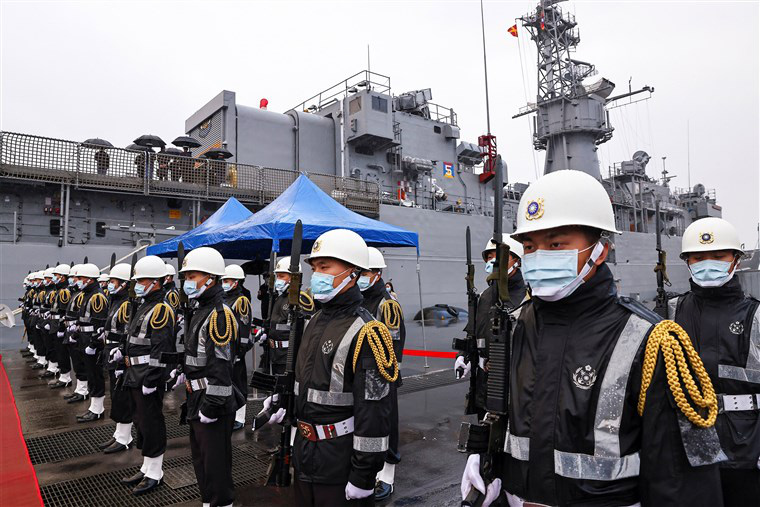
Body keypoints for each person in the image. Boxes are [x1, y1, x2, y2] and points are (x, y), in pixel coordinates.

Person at [460, 170, 724, 506]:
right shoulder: (515, 326)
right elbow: (506, 415)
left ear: (600, 251)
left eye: (556, 244)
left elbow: (683, 484)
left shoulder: (651, 343)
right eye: (530, 247)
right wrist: (484, 452)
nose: (539, 256)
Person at [268, 228, 397, 506]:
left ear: (353, 272)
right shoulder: (314, 321)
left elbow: (374, 413)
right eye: (314, 268)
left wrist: (363, 475)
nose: (317, 275)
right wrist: (283, 402)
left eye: (325, 267)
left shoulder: (368, 332)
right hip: (305, 454)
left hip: (339, 462)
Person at [670, 217, 760, 506]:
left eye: (719, 256)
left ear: (736, 259)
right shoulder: (670, 312)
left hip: (747, 451)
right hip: (687, 447)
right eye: (698, 258)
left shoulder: (755, 316)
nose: (708, 264)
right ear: (687, 262)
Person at [179, 247, 242, 507]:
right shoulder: (200, 310)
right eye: (186, 276)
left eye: (192, 276)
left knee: (215, 465)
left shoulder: (219, 315)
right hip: (197, 397)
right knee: (202, 461)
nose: (188, 282)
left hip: (210, 401)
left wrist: (212, 405)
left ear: (210, 278)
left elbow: (221, 367)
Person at [453, 234, 526, 419]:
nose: (492, 261)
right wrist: (464, 355)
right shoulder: (486, 295)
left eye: (498, 256)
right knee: (484, 425)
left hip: (511, 384)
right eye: (489, 257)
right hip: (484, 381)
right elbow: (474, 328)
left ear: (516, 261)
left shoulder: (526, 297)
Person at [120, 255, 175, 495]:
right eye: (137, 281)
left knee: (151, 422)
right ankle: (146, 466)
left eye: (142, 281)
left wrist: (152, 379)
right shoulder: (143, 305)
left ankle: (155, 472)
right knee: (140, 421)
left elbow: (160, 349)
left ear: (156, 282)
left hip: (147, 376)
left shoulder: (161, 309)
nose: (138, 285)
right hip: (135, 373)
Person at [355, 247, 406, 502]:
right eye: (359, 272)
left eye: (365, 273)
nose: (360, 277)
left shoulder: (388, 306)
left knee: (386, 425)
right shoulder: (358, 301)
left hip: (381, 377)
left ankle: (387, 476)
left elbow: (393, 347)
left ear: (377, 274)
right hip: (359, 376)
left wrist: (385, 377)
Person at [98, 263, 134, 453]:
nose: (110, 284)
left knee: (122, 397)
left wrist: (122, 354)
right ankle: (119, 433)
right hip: (111, 353)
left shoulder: (127, 304)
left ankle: (125, 437)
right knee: (116, 394)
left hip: (119, 355)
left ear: (124, 284)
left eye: (114, 281)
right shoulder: (115, 301)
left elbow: (127, 333)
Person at [265, 256, 315, 375]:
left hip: (290, 355)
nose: (278, 280)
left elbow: (305, 331)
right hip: (275, 354)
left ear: (293, 278)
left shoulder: (300, 300)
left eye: (282, 276)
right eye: (277, 276)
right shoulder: (279, 298)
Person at [73, 263, 109, 422]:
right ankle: (93, 406)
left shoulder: (97, 297)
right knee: (89, 372)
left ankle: (97, 409)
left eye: (80, 278)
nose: (77, 281)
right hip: (83, 338)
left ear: (90, 279)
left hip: (91, 341)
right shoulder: (86, 295)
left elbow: (100, 324)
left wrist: (93, 344)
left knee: (95, 375)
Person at [222, 263, 252, 431]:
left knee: (239, 383)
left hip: (236, 352)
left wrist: (240, 352)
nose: (224, 283)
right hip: (225, 350)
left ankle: (240, 417)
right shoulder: (224, 299)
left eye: (227, 280)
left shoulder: (241, 301)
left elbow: (244, 329)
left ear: (236, 282)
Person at [62, 265, 90, 402]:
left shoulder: (82, 295)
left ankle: (83, 390)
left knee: (80, 362)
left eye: (77, 277)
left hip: (79, 332)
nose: (74, 280)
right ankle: (79, 389)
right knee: (76, 362)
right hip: (72, 331)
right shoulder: (75, 294)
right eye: (74, 277)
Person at [40, 264, 71, 384]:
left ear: (63, 277)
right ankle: (59, 372)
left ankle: (65, 376)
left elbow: (63, 311)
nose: (54, 278)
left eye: (56, 275)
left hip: (58, 324)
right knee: (55, 348)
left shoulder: (64, 292)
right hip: (53, 323)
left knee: (62, 351)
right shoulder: (58, 291)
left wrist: (61, 327)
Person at [37, 267, 59, 379]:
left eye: (47, 278)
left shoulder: (55, 292)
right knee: (47, 344)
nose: (44, 280)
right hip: (47, 320)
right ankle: (50, 365)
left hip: (54, 323)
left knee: (53, 346)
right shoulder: (48, 292)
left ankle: (54, 367)